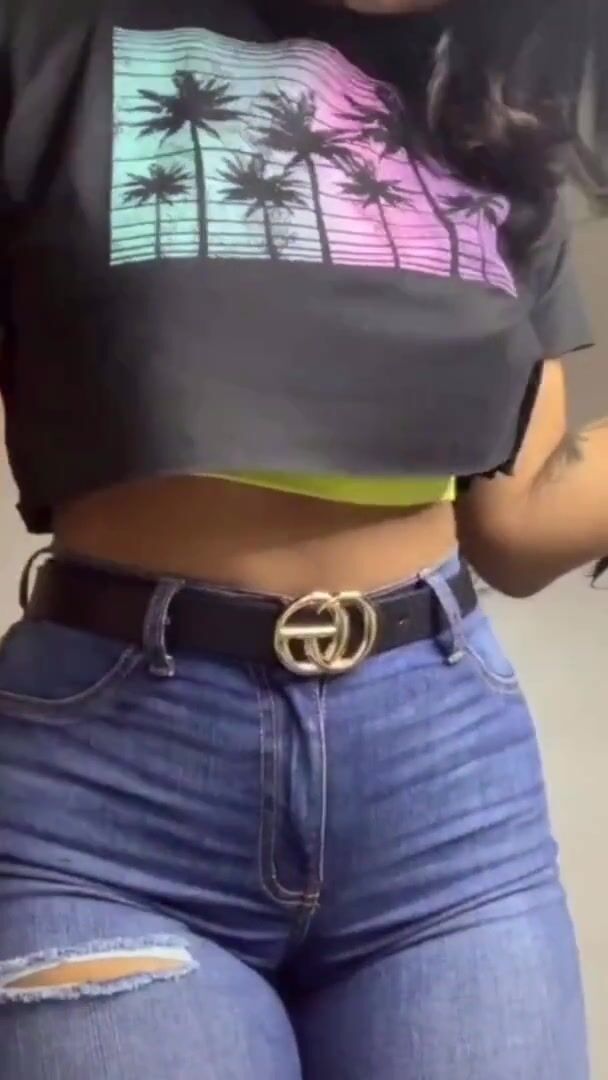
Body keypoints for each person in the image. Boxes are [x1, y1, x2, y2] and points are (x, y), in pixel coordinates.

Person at [0, 0, 605, 1076]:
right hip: (108, 799)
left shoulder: (489, 105)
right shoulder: (56, 32)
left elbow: (512, 522)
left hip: (446, 799)